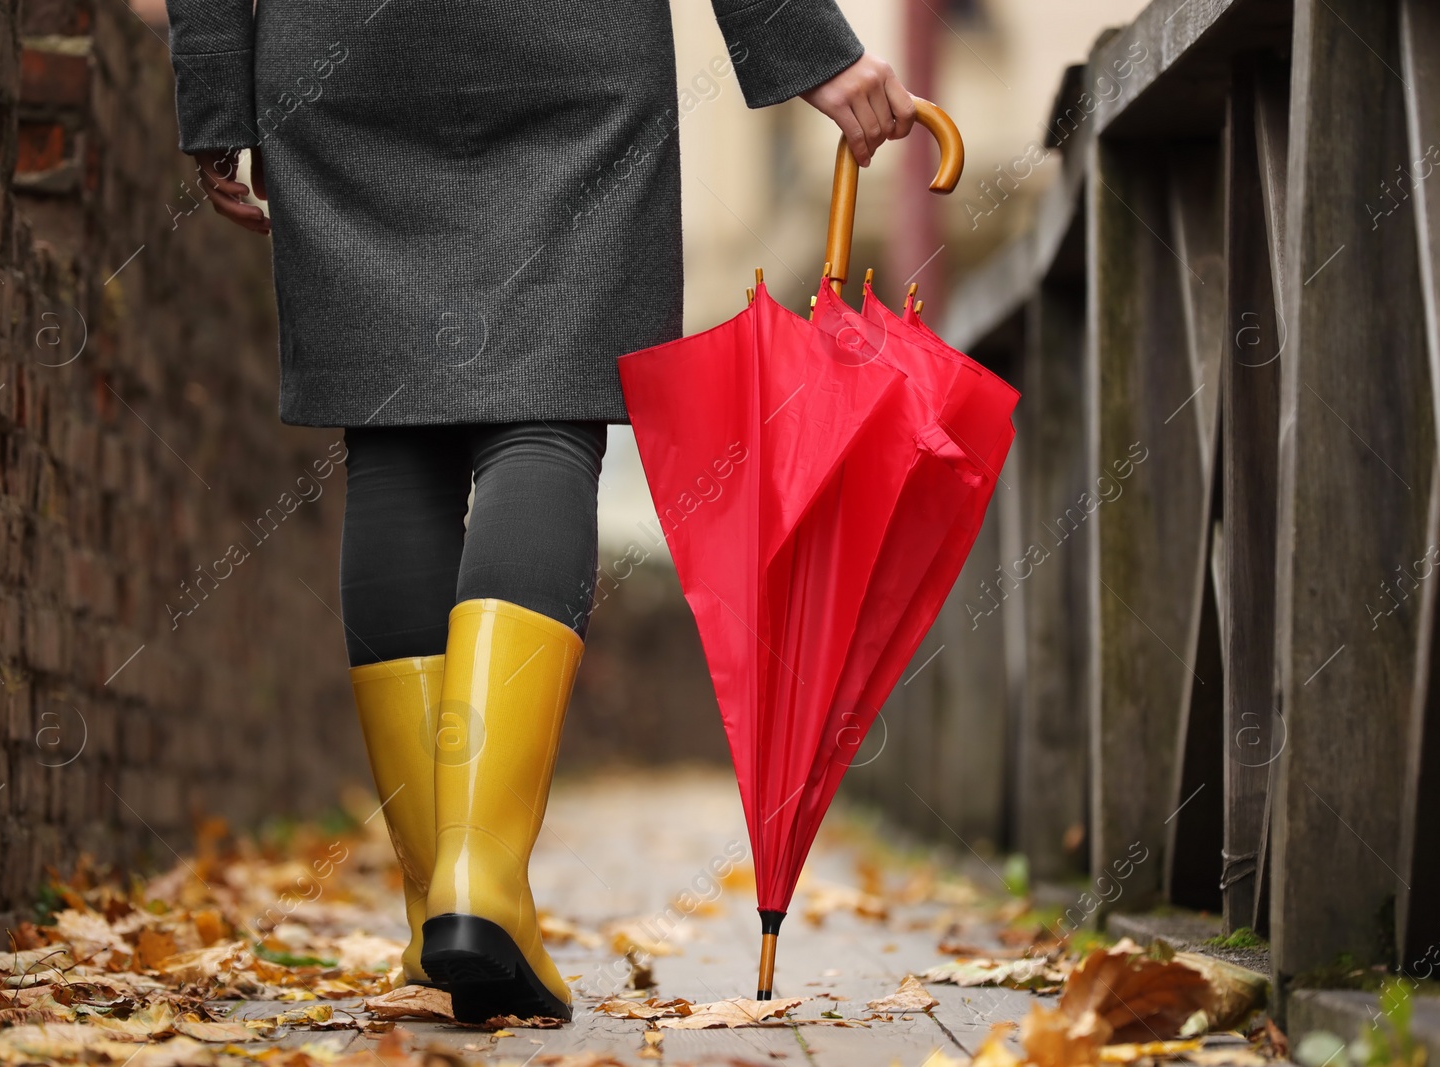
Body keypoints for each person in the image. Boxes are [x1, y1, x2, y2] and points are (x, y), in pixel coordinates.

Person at [163, 0, 921, 1023]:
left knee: (395, 443)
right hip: (573, 54)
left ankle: (441, 894)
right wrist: (806, 48)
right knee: (546, 427)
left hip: (340, 59)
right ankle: (482, 883)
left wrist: (216, 86)